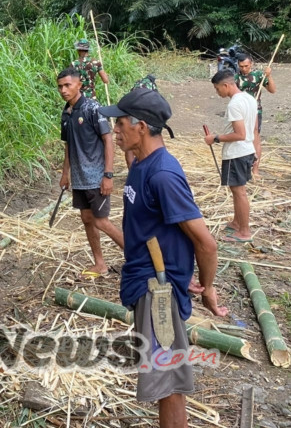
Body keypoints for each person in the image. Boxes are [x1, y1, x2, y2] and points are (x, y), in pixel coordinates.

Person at [98, 88, 227, 428]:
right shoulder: (141, 163)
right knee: (163, 377)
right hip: (146, 282)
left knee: (168, 382)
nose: (115, 130)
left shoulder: (163, 175)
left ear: (141, 126)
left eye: (121, 123)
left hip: (159, 294)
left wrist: (208, 287)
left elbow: (206, 243)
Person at [57, 66, 123, 277]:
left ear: (80, 85)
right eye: (60, 86)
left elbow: (108, 140)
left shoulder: (92, 108)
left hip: (96, 177)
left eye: (68, 85)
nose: (63, 90)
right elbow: (68, 145)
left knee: (101, 221)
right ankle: (100, 264)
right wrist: (65, 173)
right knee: (87, 218)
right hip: (79, 179)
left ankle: (139, 259)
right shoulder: (66, 113)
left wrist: (108, 175)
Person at [204, 70, 258, 243]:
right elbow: (253, 130)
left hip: (237, 153)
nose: (217, 92)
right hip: (247, 150)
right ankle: (237, 222)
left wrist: (216, 138)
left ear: (226, 85)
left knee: (239, 191)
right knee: (237, 191)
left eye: (217, 88)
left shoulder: (234, 104)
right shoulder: (249, 98)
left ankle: (244, 232)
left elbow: (240, 134)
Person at [235, 52, 276, 176]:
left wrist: (268, 76)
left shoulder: (258, 75)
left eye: (246, 66)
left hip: (255, 110)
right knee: (241, 138)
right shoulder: (235, 78)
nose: (244, 69)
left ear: (251, 64)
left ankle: (255, 170)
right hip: (240, 111)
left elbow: (272, 90)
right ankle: (243, 168)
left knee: (255, 137)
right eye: (241, 66)